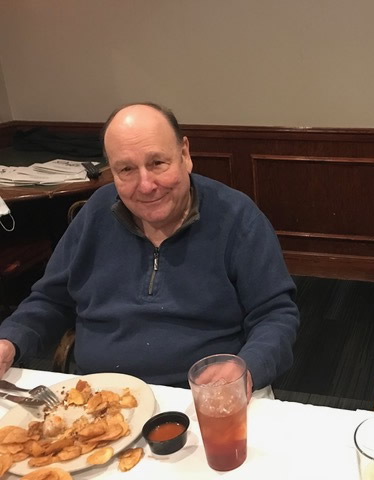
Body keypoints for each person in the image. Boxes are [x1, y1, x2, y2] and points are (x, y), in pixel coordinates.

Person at [0, 103, 299, 392]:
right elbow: (50, 300)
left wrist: (248, 367)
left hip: (202, 396)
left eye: (157, 163)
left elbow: (275, 315)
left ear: (184, 154)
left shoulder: (237, 217)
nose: (145, 185)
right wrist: (9, 341)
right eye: (126, 169)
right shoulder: (95, 214)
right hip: (99, 396)